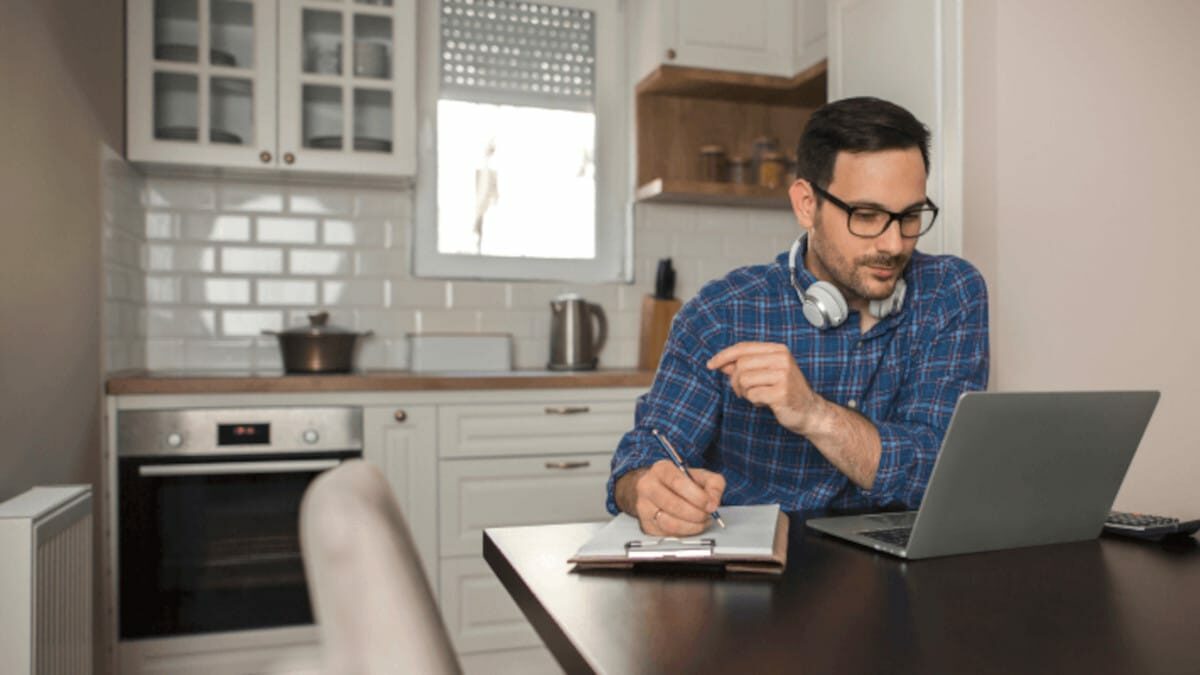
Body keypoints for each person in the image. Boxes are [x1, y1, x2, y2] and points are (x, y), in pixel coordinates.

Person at [607, 97, 989, 536]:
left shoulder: (950, 293)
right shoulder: (723, 312)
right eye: (866, 216)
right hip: (756, 574)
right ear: (807, 204)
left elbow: (938, 475)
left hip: (899, 571)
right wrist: (646, 491)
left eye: (910, 216)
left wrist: (813, 414)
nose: (894, 244)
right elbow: (640, 458)